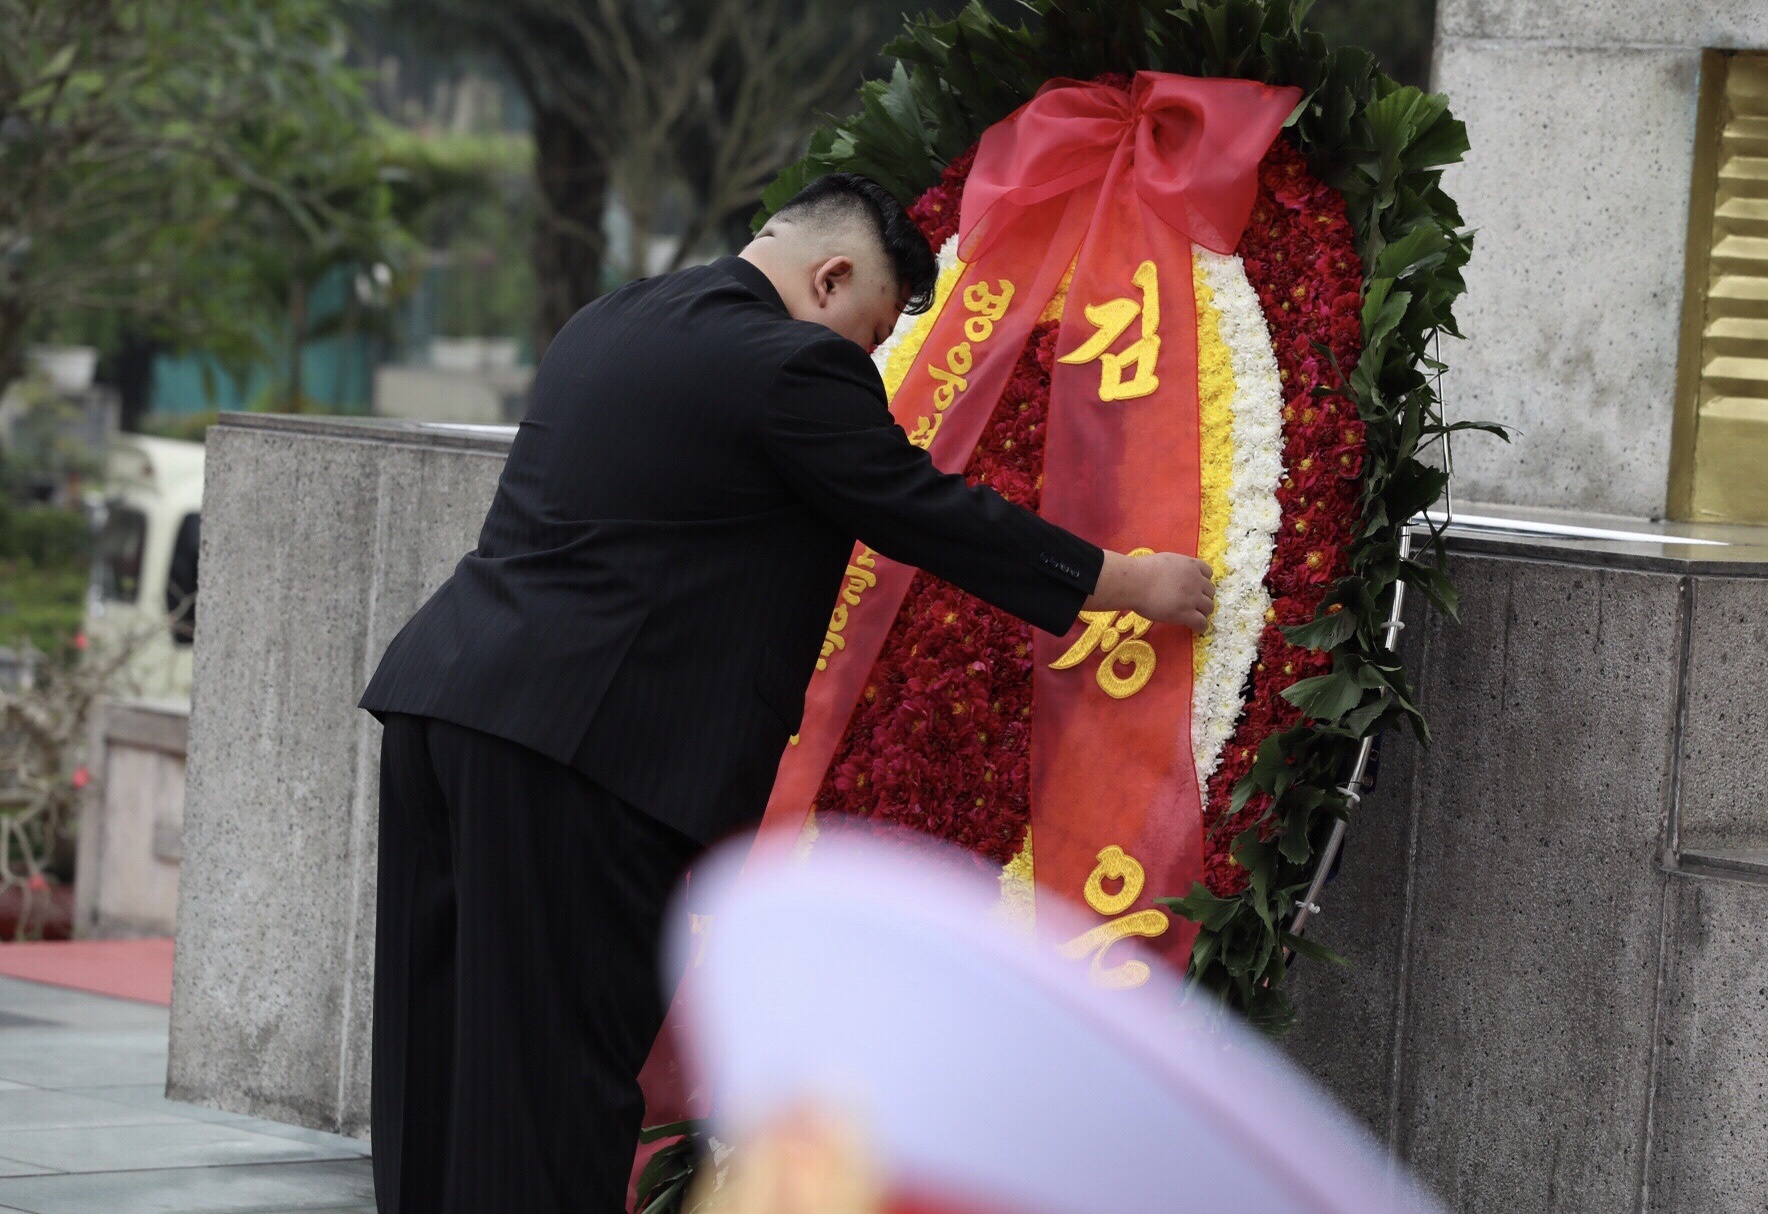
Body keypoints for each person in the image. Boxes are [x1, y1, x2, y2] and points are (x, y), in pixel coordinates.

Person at [357, 171, 1217, 1214]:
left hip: (444, 703)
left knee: (440, 1060)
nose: (866, 357)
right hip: (580, 752)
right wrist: (1125, 580)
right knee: (554, 1082)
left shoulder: (612, 317)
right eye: (873, 330)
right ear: (832, 276)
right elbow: (918, 506)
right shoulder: (793, 363)